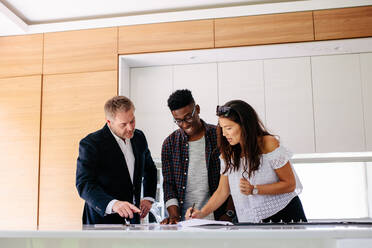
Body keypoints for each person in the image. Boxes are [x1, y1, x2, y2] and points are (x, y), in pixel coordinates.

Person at [186, 100, 307, 223]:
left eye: (228, 128)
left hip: (285, 213)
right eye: (222, 128)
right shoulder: (228, 153)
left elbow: (290, 184)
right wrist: (201, 213)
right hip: (256, 220)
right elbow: (223, 191)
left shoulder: (268, 143)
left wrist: (255, 189)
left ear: (244, 125)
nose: (224, 134)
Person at [76, 96, 157, 224]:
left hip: (133, 220)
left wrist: (148, 198)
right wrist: (113, 204)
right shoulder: (91, 144)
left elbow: (150, 169)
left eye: (132, 121)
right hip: (101, 221)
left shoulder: (139, 137)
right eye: (123, 124)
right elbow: (84, 184)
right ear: (109, 122)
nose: (130, 128)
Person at [161, 89, 234, 224]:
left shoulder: (220, 136)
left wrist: (229, 214)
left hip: (219, 219)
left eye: (188, 117)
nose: (185, 124)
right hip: (185, 222)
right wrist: (174, 217)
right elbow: (169, 185)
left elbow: (233, 178)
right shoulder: (169, 144)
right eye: (178, 120)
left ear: (197, 109)